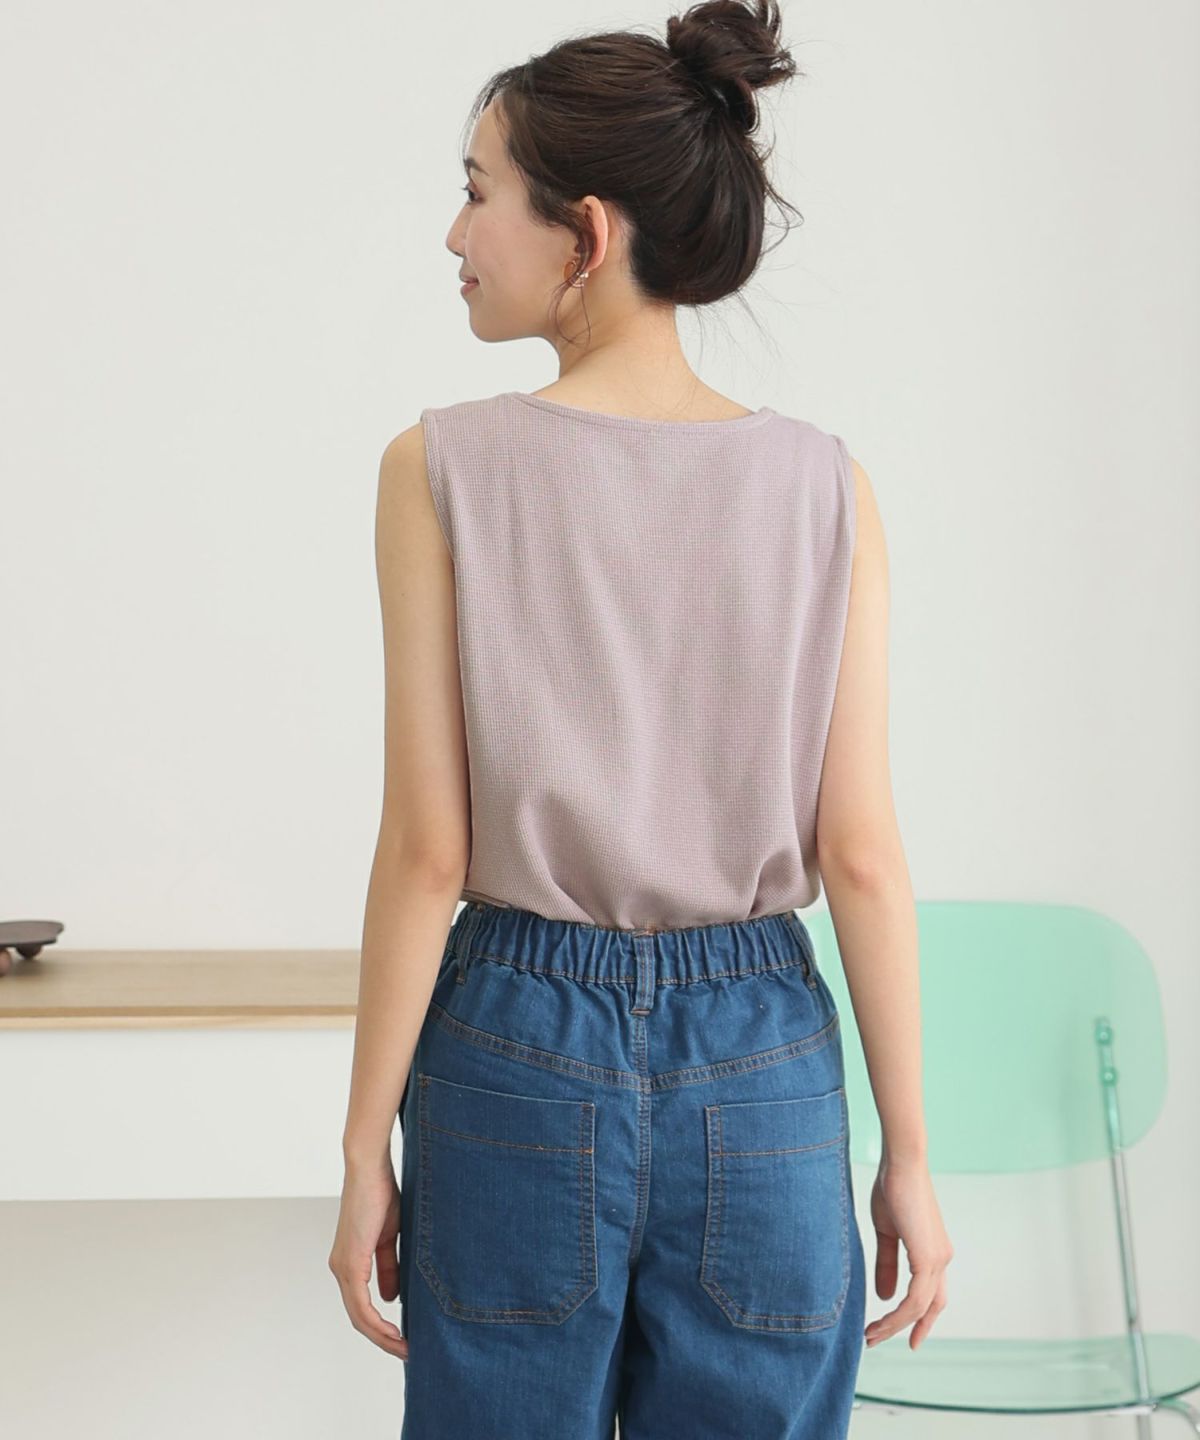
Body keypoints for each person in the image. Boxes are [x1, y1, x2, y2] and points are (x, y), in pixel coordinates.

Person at [328, 1, 953, 1434]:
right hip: (765, 1056)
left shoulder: (437, 470)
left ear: (586, 234)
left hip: (513, 1040)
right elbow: (861, 854)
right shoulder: (828, 485)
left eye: (480, 192)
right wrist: (910, 1154)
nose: (455, 233)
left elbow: (429, 852)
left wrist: (364, 1149)